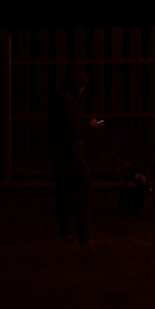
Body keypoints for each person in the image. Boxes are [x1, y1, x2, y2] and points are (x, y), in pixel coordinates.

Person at [50, 68, 93, 245]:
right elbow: (72, 130)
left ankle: (66, 233)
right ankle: (83, 236)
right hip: (72, 157)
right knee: (82, 193)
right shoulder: (68, 103)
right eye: (81, 86)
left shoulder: (59, 101)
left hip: (61, 156)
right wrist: (89, 126)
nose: (82, 90)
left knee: (64, 195)